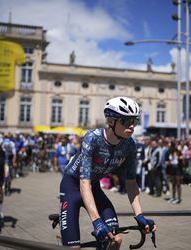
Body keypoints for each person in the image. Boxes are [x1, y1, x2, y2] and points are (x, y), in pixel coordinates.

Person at [59, 97, 156, 249]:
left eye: (134, 121)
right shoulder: (92, 138)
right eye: (125, 121)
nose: (131, 126)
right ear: (111, 121)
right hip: (72, 186)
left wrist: (139, 215)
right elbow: (84, 183)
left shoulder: (130, 144)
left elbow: (131, 183)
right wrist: (96, 221)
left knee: (116, 240)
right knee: (73, 247)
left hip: (94, 187)